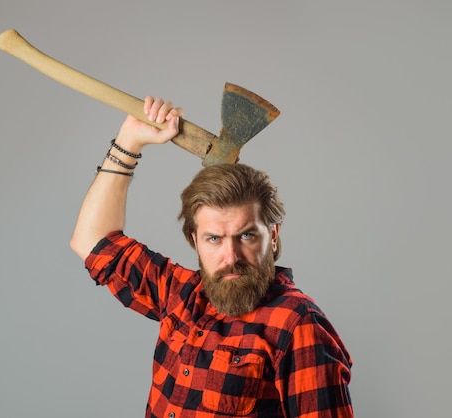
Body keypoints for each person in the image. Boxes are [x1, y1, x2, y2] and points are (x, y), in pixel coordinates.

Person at [70, 96, 354, 417]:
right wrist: (129, 141)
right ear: (195, 240)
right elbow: (92, 241)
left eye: (246, 235)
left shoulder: (297, 326)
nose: (230, 256)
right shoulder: (182, 295)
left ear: (272, 236)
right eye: (214, 239)